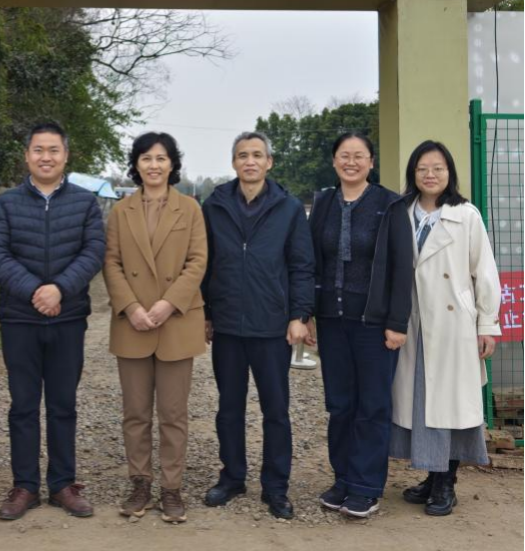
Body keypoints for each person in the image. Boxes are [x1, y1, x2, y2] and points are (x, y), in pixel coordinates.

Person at [0, 122, 106, 521]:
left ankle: (62, 484)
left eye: (54, 150)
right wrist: (36, 290)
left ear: (66, 155)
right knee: (22, 405)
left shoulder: (85, 203)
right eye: (38, 150)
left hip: (68, 318)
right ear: (27, 156)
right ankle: (25, 486)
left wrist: (60, 290)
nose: (46, 157)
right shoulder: (7, 204)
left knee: (62, 404)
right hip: (20, 319)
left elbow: (93, 251)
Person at [200, 131, 314, 520]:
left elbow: (301, 265)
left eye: (257, 155)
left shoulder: (288, 208)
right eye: (242, 155)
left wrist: (299, 315)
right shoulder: (215, 205)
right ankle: (232, 477)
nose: (249, 161)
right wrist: (205, 313)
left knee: (275, 411)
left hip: (272, 326)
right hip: (228, 325)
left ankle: (276, 487)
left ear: (269, 162)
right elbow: (205, 263)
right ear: (234, 162)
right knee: (229, 409)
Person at [389, 140, 502, 516]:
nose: (430, 174)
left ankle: (446, 483)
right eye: (422, 168)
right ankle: (431, 476)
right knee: (423, 403)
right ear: (413, 173)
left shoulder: (465, 215)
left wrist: (487, 323)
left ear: (449, 173)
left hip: (454, 326)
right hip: (414, 323)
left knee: (450, 405)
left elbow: (484, 270)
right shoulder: (402, 212)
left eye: (438, 168)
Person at [103, 132, 207, 523]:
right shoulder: (121, 211)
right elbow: (111, 262)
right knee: (135, 413)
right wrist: (131, 307)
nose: (154, 165)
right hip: (133, 323)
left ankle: (171, 487)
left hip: (175, 319)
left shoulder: (190, 208)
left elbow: (198, 261)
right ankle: (140, 483)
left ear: (172, 164)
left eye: (161, 158)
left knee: (173, 414)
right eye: (146, 158)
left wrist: (167, 304)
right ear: (136, 164)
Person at [308, 132, 413, 518]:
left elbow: (402, 267)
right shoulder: (323, 203)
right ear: (334, 160)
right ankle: (343, 478)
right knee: (340, 405)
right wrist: (308, 313)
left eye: (359, 156)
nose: (350, 162)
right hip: (332, 321)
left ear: (371, 162)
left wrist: (397, 322)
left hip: (374, 324)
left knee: (372, 405)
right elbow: (311, 260)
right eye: (343, 155)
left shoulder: (390, 204)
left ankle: (366, 486)